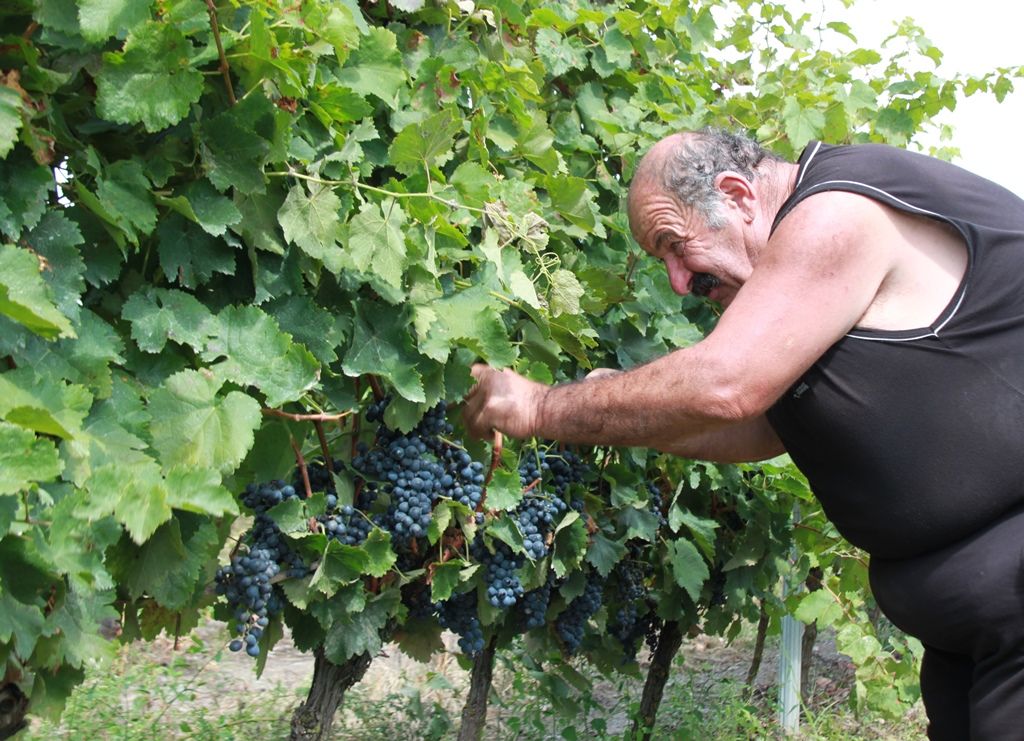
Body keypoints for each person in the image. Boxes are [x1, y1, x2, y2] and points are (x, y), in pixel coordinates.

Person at [462, 128, 1024, 740]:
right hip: (974, 632)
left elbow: (728, 386)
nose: (678, 282)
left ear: (736, 195)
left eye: (676, 246)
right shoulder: (808, 267)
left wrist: (543, 408)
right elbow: (760, 428)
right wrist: (628, 414)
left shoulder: (838, 211)